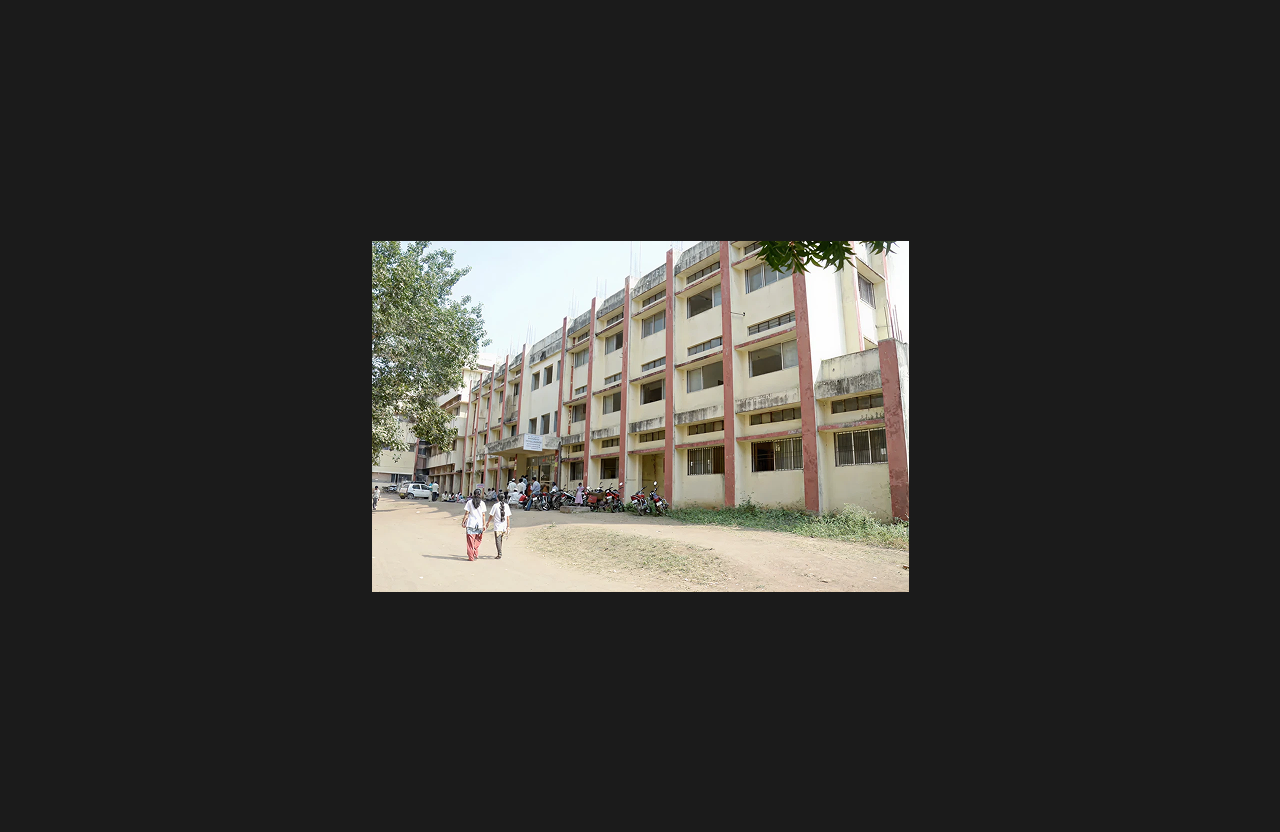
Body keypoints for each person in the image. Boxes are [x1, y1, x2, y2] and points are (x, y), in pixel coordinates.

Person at [461, 488, 486, 562]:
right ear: (480, 494)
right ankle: (475, 552)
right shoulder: (482, 503)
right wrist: (484, 525)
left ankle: (471, 556)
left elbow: (466, 513)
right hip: (479, 524)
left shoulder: (469, 502)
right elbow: (483, 515)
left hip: (471, 524)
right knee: (478, 539)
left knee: (470, 541)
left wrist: (463, 522)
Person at [485, 491, 510, 559]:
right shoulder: (507, 506)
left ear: (497, 498)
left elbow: (491, 515)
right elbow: (508, 517)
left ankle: (499, 553)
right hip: (504, 526)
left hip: (497, 526)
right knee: (500, 539)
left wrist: (488, 522)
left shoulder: (495, 506)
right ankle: (500, 551)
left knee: (498, 540)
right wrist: (508, 526)